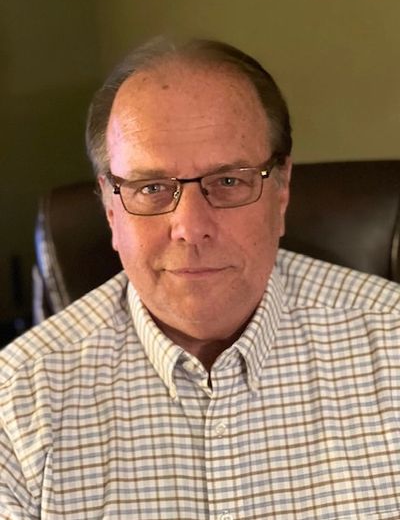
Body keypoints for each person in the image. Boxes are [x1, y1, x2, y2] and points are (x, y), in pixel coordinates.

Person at [1, 37, 400, 520]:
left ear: (281, 191)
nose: (190, 228)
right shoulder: (17, 405)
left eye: (228, 181)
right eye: (151, 187)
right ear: (110, 208)